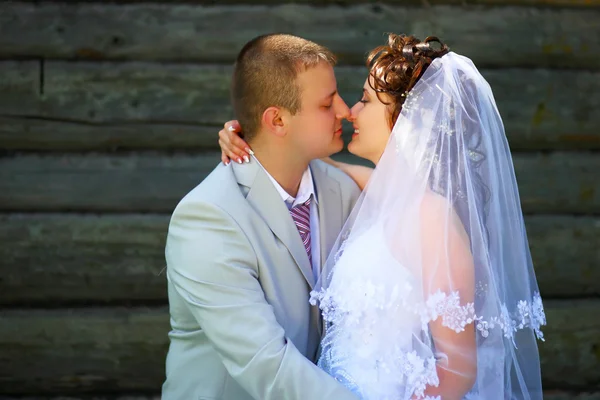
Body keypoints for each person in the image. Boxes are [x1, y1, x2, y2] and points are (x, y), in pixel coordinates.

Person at [220, 34, 546, 399]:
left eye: (365, 100)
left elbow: (458, 369)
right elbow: (307, 158)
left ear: (409, 119)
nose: (351, 112)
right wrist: (250, 133)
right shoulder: (381, 191)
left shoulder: (431, 217)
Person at [162, 33, 362, 400]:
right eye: (326, 103)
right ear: (278, 120)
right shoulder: (208, 218)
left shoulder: (344, 192)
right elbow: (265, 364)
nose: (346, 111)